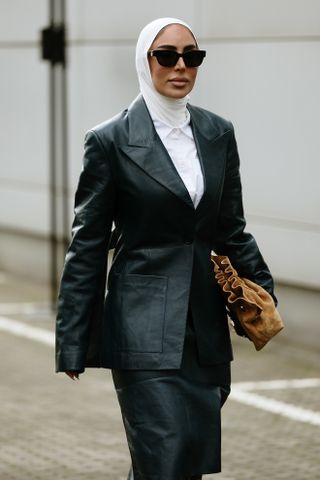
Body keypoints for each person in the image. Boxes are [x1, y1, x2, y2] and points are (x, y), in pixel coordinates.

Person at [55, 17, 277, 480]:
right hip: (141, 329)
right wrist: (74, 339)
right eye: (167, 55)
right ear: (145, 61)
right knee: (166, 459)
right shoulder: (110, 140)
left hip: (204, 331)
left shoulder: (219, 133)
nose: (181, 66)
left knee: (185, 463)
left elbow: (231, 229)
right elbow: (88, 244)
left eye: (191, 56)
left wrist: (263, 294)